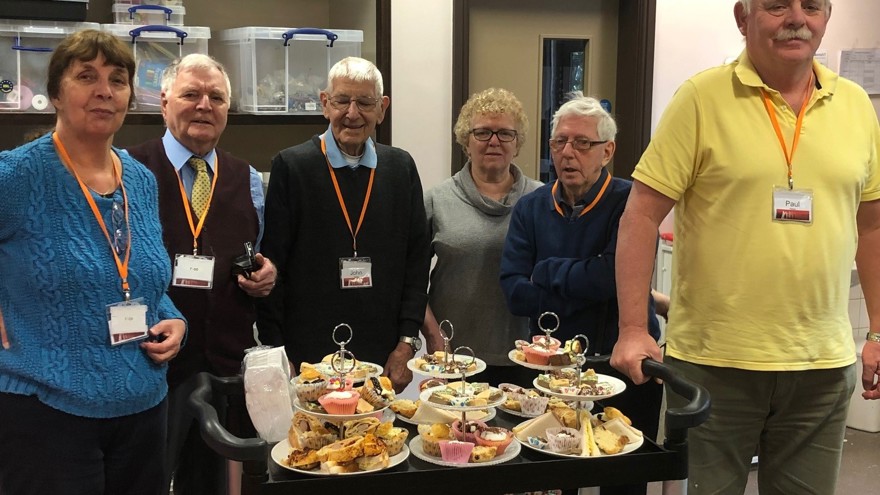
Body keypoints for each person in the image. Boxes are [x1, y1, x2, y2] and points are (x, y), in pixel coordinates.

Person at [610, 1, 880, 494]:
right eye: (777, 5)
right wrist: (632, 328)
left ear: (827, 15)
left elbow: (872, 227)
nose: (797, 18)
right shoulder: (700, 98)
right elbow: (640, 215)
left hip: (821, 369)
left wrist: (878, 331)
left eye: (811, 6)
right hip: (715, 366)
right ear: (743, 17)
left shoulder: (857, 106)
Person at [0, 29, 186, 495]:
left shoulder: (140, 180)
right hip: (47, 415)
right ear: (56, 94)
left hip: (144, 408)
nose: (105, 90)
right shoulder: (17, 175)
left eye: (118, 79)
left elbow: (144, 276)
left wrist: (173, 318)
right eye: (87, 76)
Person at [126, 53, 277, 495]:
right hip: (151, 363)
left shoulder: (248, 178)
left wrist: (266, 275)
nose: (204, 105)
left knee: (212, 484)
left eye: (217, 97)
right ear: (164, 101)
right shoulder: (128, 170)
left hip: (225, 367)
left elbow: (258, 251)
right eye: (191, 94)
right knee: (145, 480)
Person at [500, 93, 663, 495]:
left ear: (607, 150)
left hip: (619, 364)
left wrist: (548, 270)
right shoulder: (531, 208)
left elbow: (613, 277)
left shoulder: (631, 204)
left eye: (582, 143)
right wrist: (587, 284)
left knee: (623, 476)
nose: (568, 152)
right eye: (559, 142)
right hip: (550, 370)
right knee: (548, 472)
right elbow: (515, 293)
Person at [258, 56, 431, 392]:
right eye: (342, 101)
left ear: (382, 108)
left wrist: (407, 341)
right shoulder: (292, 167)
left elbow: (417, 261)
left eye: (365, 102)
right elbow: (272, 267)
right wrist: (277, 349)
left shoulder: (400, 169)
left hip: (383, 352)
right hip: (307, 354)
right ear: (325, 104)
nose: (352, 113)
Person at [421, 87, 541, 386]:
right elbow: (408, 281)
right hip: (454, 355)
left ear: (518, 142)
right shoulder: (436, 200)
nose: (494, 142)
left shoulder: (542, 200)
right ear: (466, 140)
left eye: (505, 134)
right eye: (482, 133)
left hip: (529, 356)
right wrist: (434, 337)